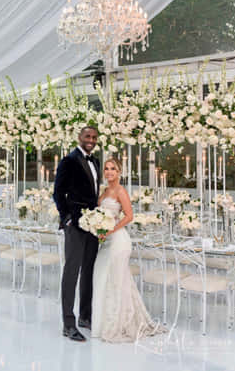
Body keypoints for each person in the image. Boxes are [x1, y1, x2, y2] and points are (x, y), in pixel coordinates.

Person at [92, 157, 166, 342]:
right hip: (106, 240)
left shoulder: (120, 190)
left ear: (119, 172)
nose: (109, 172)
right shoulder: (104, 190)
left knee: (116, 281)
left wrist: (110, 229)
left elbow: (129, 216)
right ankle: (101, 325)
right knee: (102, 278)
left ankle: (117, 325)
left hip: (118, 240)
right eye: (107, 169)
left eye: (113, 169)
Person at [54, 126, 100, 342]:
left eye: (94, 137)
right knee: (72, 272)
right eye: (87, 136)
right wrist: (67, 218)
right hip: (75, 224)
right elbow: (58, 193)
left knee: (89, 270)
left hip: (94, 225)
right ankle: (68, 323)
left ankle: (85, 316)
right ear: (79, 138)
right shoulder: (68, 161)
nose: (90, 140)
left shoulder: (96, 161)